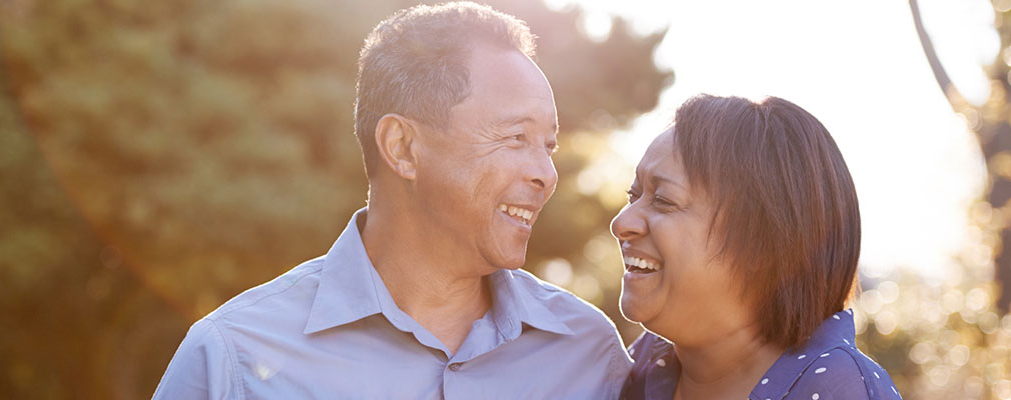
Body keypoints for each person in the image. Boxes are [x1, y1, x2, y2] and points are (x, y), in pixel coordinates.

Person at [153, 2, 631, 399]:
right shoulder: (231, 359)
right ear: (403, 148)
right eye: (514, 138)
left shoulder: (591, 356)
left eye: (548, 146)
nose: (545, 175)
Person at [613, 94, 901, 399]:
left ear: (765, 246)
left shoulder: (838, 390)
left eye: (663, 200)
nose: (621, 223)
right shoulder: (638, 367)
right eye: (633, 196)